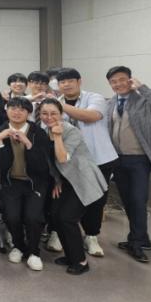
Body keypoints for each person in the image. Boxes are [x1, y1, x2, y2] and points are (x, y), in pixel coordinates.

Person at [39, 98, 106, 275]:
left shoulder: (71, 131)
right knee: (56, 216)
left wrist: (58, 136)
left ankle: (81, 261)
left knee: (67, 218)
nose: (49, 117)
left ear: (61, 114)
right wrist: (57, 180)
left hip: (83, 179)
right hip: (65, 180)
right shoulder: (44, 132)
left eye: (53, 113)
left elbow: (62, 158)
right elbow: (50, 162)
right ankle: (71, 256)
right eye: (44, 113)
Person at [57, 68, 119, 257]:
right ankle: (60, 233)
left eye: (70, 80)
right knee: (67, 199)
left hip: (98, 158)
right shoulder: (57, 101)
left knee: (96, 200)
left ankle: (91, 236)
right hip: (70, 161)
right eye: (62, 82)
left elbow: (91, 116)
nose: (66, 84)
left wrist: (57, 106)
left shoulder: (95, 98)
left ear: (79, 81)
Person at [0, 98, 53, 271]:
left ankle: (34, 252)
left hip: (35, 183)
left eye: (22, 109)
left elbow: (43, 165)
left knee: (33, 217)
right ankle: (18, 246)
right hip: (11, 182)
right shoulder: (0, 131)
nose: (17, 112)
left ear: (29, 113)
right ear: (6, 110)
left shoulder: (38, 132)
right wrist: (0, 142)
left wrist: (28, 144)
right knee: (11, 216)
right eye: (13, 108)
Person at [105, 66, 151, 263]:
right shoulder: (110, 103)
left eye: (122, 79)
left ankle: (137, 243)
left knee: (138, 200)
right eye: (113, 81)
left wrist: (143, 88)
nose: (118, 84)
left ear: (130, 80)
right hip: (118, 159)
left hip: (139, 158)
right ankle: (140, 238)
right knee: (128, 201)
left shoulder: (143, 99)